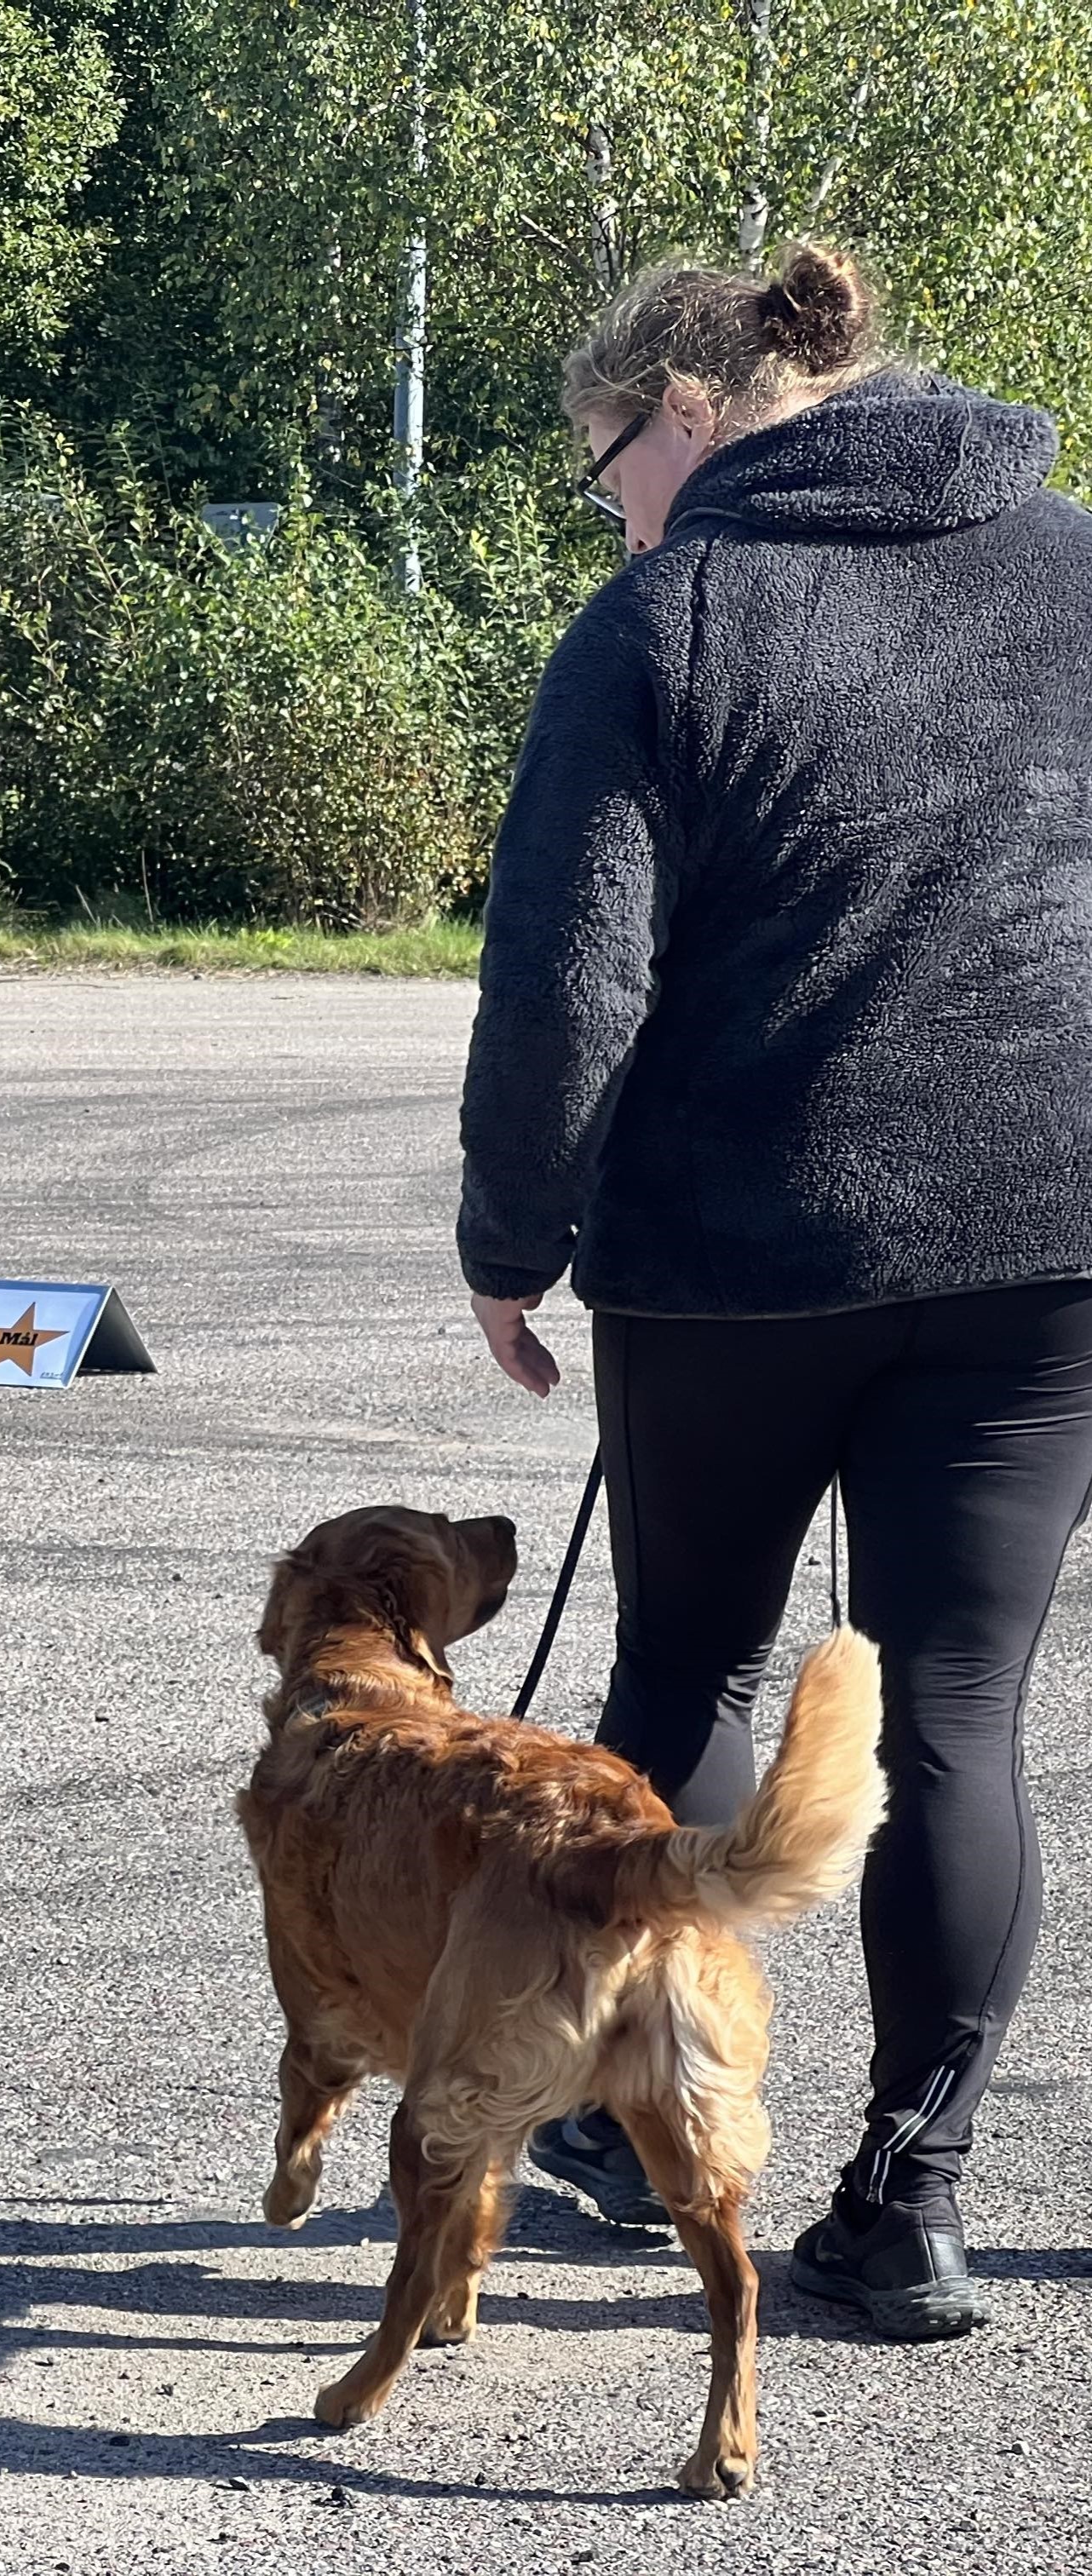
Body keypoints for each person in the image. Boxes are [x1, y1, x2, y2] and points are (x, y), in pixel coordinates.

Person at [457, 239, 1092, 2342]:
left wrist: (507, 1239)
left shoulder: (669, 614)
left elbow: (566, 975)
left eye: (605, 462)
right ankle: (912, 2204)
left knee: (698, 1679)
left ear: (694, 410)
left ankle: (623, 2122)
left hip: (739, 1252)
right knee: (957, 1712)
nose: (609, 505)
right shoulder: (1075, 567)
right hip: (1045, 1248)